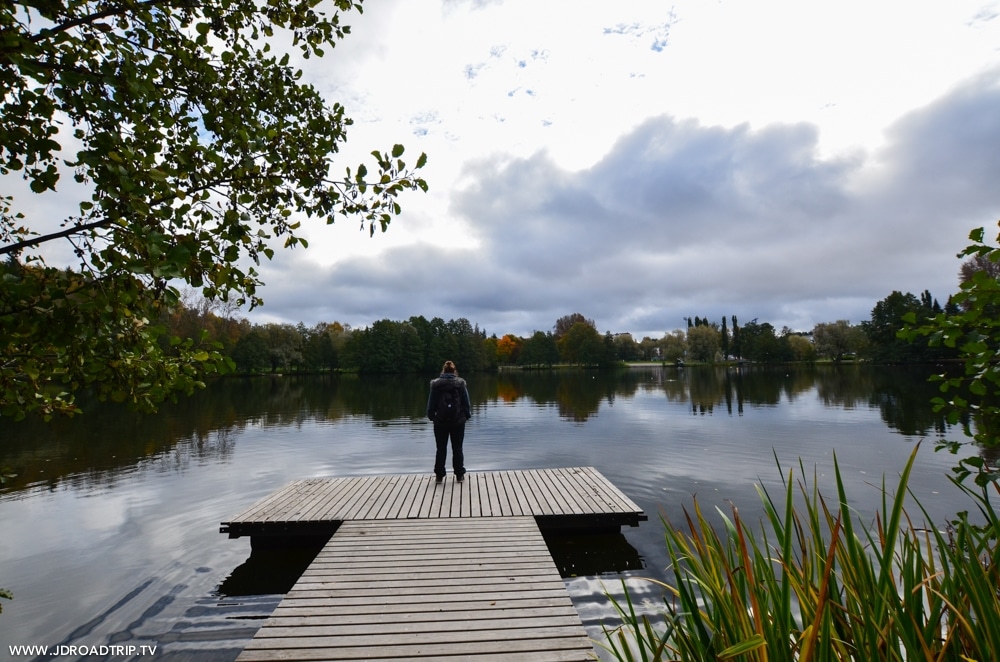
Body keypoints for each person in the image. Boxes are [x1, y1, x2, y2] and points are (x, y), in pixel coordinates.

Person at [426, 360, 471, 483]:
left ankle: (439, 476)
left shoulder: (436, 385)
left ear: (443, 371)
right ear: (454, 371)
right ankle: (459, 475)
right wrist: (466, 416)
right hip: (458, 422)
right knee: (457, 448)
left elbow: (431, 404)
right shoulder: (460, 384)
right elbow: (466, 403)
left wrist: (432, 417)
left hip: (440, 422)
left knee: (441, 448)